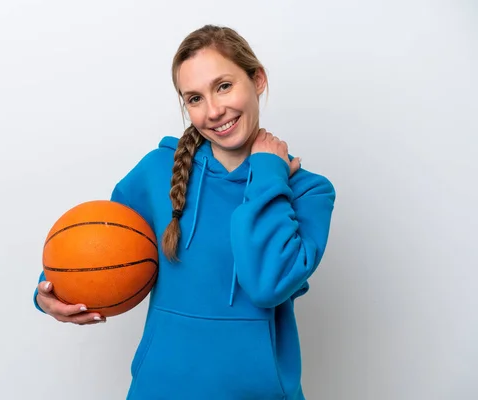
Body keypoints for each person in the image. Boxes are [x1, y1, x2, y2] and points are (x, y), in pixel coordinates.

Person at [33, 24, 336, 400]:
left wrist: (268, 177)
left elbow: (267, 284)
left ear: (257, 79)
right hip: (159, 389)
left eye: (224, 86)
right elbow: (97, 246)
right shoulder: (157, 171)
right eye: (194, 98)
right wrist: (50, 291)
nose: (213, 111)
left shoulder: (308, 191)